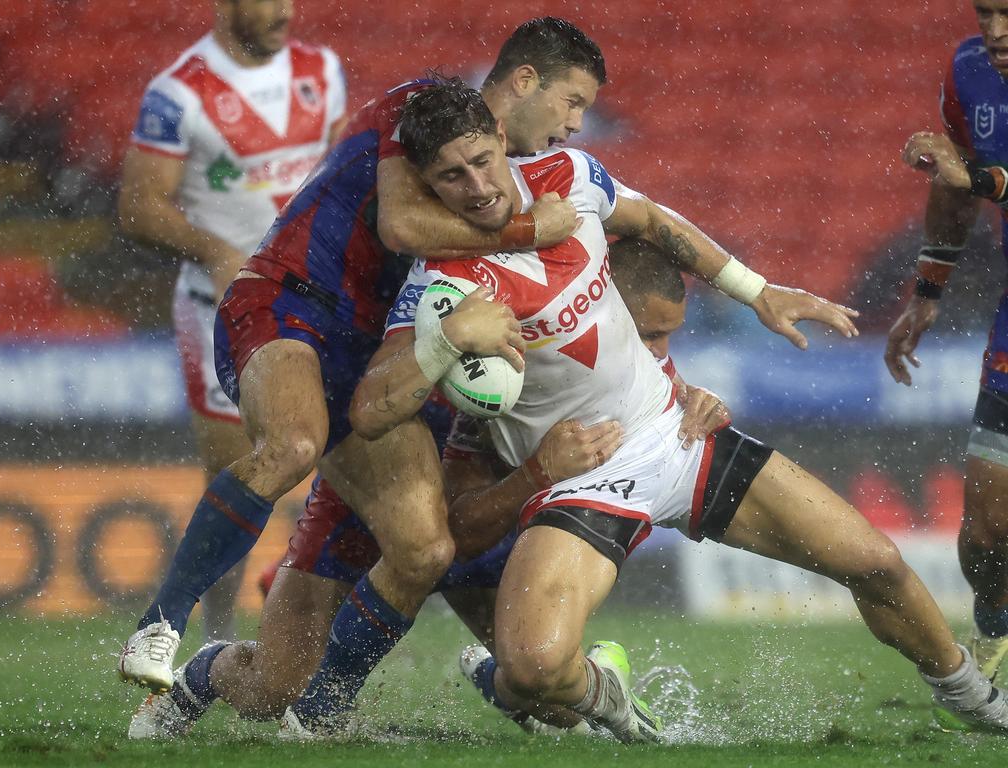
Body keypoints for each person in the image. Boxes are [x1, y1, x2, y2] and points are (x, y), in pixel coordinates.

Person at [118, 17, 859, 697]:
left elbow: (633, 262)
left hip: (396, 377)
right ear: (525, 83)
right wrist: (524, 235)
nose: (575, 123)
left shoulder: (551, 179)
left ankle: (327, 706)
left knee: (425, 549)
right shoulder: (426, 115)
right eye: (571, 102)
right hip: (297, 305)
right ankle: (163, 623)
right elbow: (405, 227)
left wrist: (737, 312)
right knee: (295, 443)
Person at [353, 80, 1008, 742]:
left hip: (678, 435)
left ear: (500, 140)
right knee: (532, 668)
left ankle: (971, 696)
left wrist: (756, 292)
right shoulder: (443, 287)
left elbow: (654, 222)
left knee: (875, 562)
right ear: (429, 187)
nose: (476, 186)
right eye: (450, 177)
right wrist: (450, 340)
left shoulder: (569, 176)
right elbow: (372, 410)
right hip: (585, 480)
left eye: (480, 161)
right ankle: (605, 693)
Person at [126, 235, 731, 739]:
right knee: (271, 689)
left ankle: (526, 672)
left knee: (549, 696)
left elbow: (656, 396)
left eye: (664, 339)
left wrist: (694, 402)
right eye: (650, 333)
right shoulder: (484, 300)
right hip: (371, 504)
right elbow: (372, 397)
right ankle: (206, 674)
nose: (658, 351)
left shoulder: (616, 363)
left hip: (476, 522)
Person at [118, 0, 347, 642]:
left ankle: (316, 626)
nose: (284, 12)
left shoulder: (321, 71)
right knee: (244, 472)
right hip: (223, 314)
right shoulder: (178, 94)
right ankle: (214, 635)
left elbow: (342, 178)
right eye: (267, 0)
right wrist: (216, 250)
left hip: (320, 303)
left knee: (355, 454)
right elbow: (137, 207)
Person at [890, 0, 1008, 686]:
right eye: (984, 10)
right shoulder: (968, 70)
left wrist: (983, 177)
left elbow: (981, 181)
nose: (994, 31)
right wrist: (928, 293)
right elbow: (959, 189)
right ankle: (994, 631)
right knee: (989, 536)